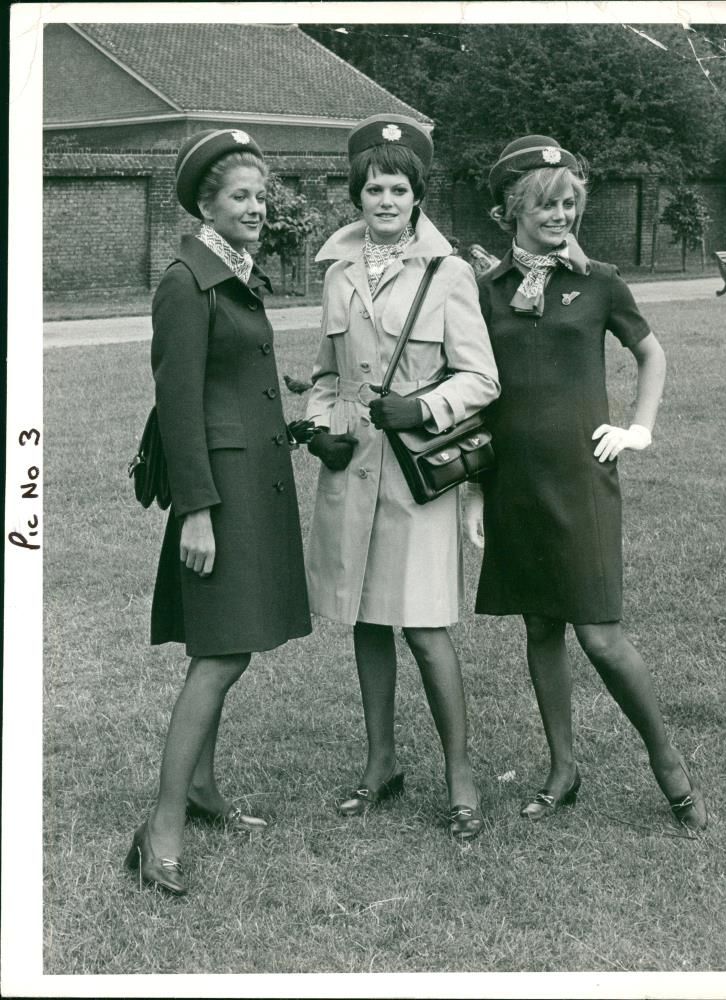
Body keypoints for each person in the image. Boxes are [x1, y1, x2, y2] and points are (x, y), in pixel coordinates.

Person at [464, 135, 707, 833]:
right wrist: (474, 489)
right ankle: (561, 767)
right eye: (546, 203)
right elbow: (478, 393)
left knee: (599, 636)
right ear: (513, 208)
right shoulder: (485, 292)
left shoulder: (599, 281)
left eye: (569, 202)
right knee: (540, 624)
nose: (560, 213)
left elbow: (650, 352)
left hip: (580, 478)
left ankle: (668, 766)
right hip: (513, 481)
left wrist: (639, 427)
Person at [125, 129, 311, 895]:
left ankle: (200, 793)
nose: (256, 208)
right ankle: (159, 831)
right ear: (205, 203)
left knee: (227, 647)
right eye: (240, 196)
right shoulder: (185, 280)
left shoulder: (233, 273)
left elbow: (233, 383)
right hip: (220, 498)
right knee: (221, 654)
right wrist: (196, 512)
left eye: (261, 196)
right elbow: (178, 404)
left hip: (251, 483)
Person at [304, 114, 500, 841]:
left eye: (397, 188)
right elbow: (327, 374)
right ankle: (380, 763)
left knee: (423, 626)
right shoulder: (337, 272)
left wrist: (420, 403)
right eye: (371, 188)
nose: (383, 200)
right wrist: (324, 424)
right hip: (352, 469)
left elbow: (481, 378)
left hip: (417, 472)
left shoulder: (448, 274)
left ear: (417, 196)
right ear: (356, 195)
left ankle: (459, 775)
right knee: (364, 618)